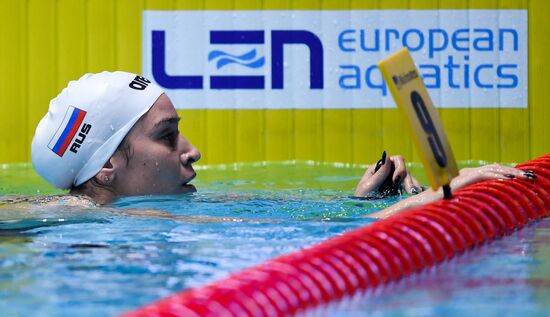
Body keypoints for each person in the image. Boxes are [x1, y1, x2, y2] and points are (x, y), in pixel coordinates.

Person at [30, 71, 535, 219]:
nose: (193, 150)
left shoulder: (173, 213)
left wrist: (362, 207)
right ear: (106, 166)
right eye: (167, 136)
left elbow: (289, 220)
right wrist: (438, 200)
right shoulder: (59, 219)